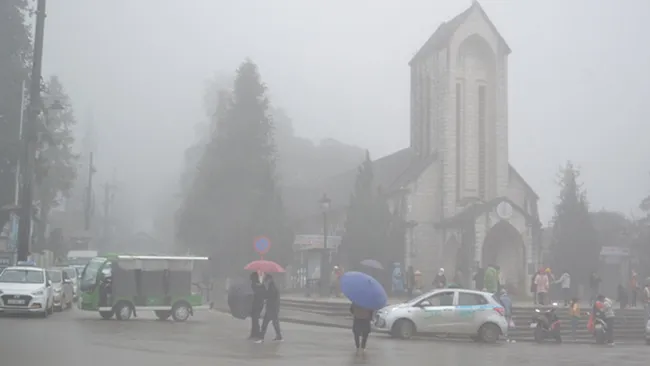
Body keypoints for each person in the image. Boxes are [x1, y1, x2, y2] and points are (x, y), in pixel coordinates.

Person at [256, 274, 282, 343]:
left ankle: (261, 338)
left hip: (271, 308)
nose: (265, 281)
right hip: (273, 308)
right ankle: (279, 336)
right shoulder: (272, 286)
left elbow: (267, 296)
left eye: (266, 280)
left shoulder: (272, 287)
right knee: (275, 323)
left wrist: (262, 288)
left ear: (269, 280)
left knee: (265, 324)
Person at [249, 272, 265, 340]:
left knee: (255, 319)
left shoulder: (253, 285)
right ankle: (254, 333)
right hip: (259, 304)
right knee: (254, 319)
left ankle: (256, 333)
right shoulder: (261, 285)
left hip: (256, 304)